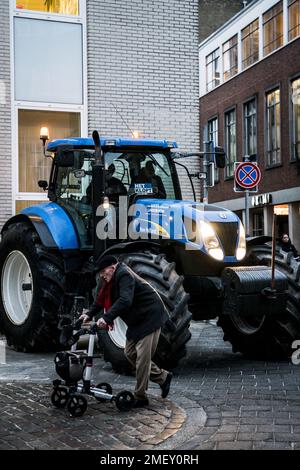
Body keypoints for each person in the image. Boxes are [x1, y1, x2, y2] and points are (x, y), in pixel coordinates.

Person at [80, 255, 173, 408]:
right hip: (137, 319)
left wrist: (107, 318)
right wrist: (88, 314)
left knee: (142, 359)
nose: (102, 276)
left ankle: (140, 396)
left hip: (150, 316)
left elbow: (125, 300)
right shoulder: (108, 281)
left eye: (104, 272)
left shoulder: (124, 274)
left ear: (113, 267)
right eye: (101, 273)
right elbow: (100, 300)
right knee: (130, 353)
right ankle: (163, 377)